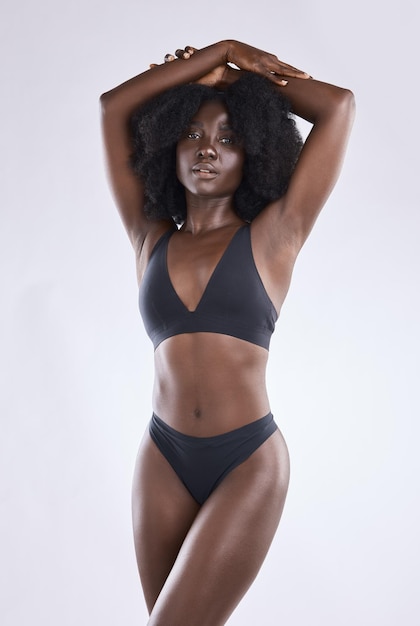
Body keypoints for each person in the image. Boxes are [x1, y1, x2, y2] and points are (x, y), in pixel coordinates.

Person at [100, 39, 355, 625]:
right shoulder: (150, 238)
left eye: (229, 138)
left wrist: (242, 65)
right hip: (161, 456)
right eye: (191, 133)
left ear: (256, 153)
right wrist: (207, 61)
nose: (207, 150)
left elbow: (337, 108)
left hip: (247, 460)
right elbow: (113, 110)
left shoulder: (276, 233)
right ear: (168, 147)